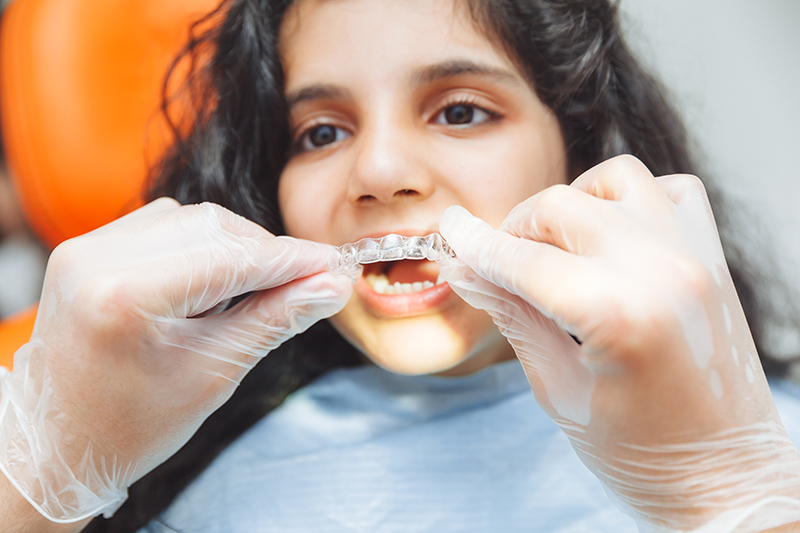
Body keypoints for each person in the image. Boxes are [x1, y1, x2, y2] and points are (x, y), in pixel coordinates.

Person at [2, 0, 800, 532]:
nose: (379, 171)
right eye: (319, 132)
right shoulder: (177, 481)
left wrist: (741, 499)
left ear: (579, 155)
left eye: (460, 111)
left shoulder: (759, 449)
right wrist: (40, 480)